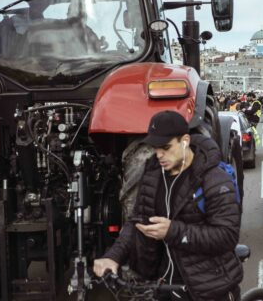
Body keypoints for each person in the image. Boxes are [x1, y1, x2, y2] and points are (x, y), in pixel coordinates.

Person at [93, 111, 242, 301]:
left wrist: (174, 231)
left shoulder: (215, 179)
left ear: (185, 140)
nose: (159, 155)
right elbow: (138, 221)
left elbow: (227, 236)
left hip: (208, 287)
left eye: (166, 147)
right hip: (166, 286)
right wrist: (113, 256)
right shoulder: (153, 175)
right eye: (155, 148)